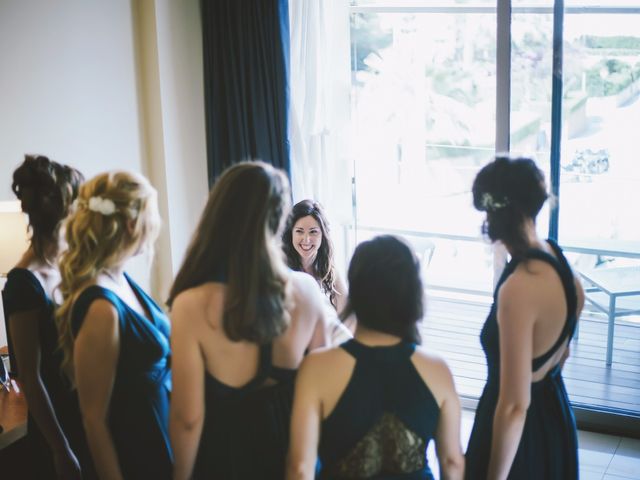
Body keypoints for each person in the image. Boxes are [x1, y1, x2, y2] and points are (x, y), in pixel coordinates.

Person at [168, 161, 331, 480]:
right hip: (292, 452)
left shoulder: (191, 305)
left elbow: (188, 418)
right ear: (280, 219)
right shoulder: (307, 291)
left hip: (225, 456)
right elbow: (323, 389)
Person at [287, 235, 465, 480]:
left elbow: (300, 467)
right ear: (412, 295)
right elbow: (452, 461)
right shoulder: (437, 369)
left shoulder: (317, 368)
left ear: (356, 293)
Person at [465, 156, 585, 479]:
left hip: (519, 438)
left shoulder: (519, 288)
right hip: (555, 418)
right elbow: (564, 350)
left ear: (495, 215)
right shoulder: (559, 259)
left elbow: (515, 406)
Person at [56, 171, 171, 479]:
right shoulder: (100, 308)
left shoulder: (120, 279)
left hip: (164, 447)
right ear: (133, 223)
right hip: (137, 457)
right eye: (151, 216)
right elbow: (94, 419)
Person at [2, 154, 91, 479]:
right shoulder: (23, 282)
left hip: (87, 411)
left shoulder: (67, 268)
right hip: (60, 423)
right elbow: (31, 376)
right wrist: (59, 448)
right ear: (61, 213)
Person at [282, 199, 353, 336]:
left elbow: (347, 315)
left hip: (327, 340)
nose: (306, 239)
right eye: (299, 231)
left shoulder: (330, 270)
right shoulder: (281, 268)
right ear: (291, 233)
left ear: (322, 235)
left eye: (313, 232)